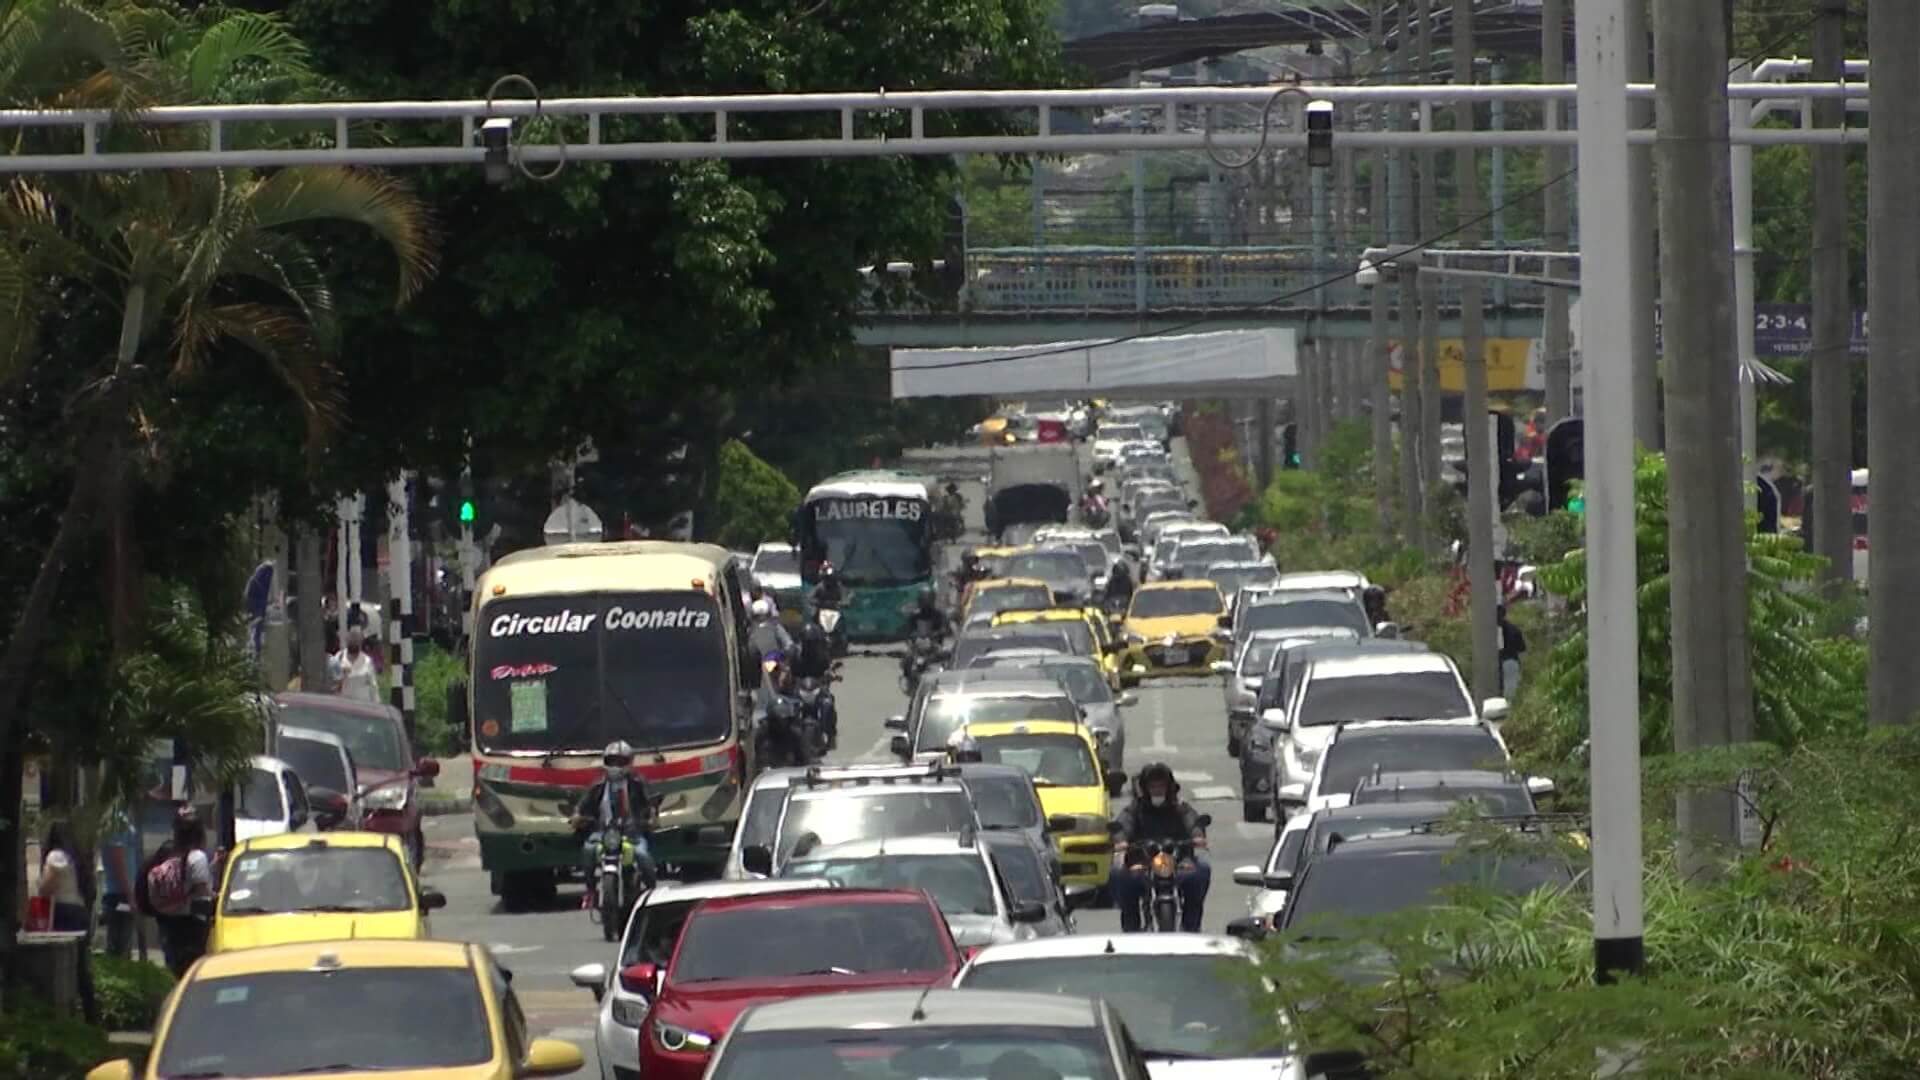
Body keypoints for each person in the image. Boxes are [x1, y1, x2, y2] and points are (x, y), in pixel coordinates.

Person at [1108, 762, 1209, 933]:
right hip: (1142, 860)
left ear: (1169, 787)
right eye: (1153, 786)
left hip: (1178, 859)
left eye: (1161, 786)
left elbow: (1192, 821)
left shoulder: (1180, 807)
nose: (1157, 790)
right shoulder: (1135, 809)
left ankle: (1192, 926)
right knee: (1118, 874)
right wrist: (1121, 840)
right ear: (1145, 788)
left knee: (1201, 872)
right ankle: (1131, 926)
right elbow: (1123, 824)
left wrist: (1197, 835)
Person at [570, 742, 656, 890]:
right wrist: (577, 816)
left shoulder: (638, 783)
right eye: (612, 761)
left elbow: (650, 803)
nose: (616, 766)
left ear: (630, 762)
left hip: (632, 832)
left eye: (621, 761)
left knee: (643, 855)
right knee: (588, 850)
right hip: (603, 832)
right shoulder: (598, 784)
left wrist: (652, 818)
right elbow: (582, 805)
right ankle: (590, 889)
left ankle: (651, 891)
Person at [145, 807, 215, 976]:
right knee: (193, 973)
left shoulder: (166, 852)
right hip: (191, 924)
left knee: (174, 971)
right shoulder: (197, 856)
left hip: (167, 922)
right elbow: (201, 890)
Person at [753, 654, 810, 765]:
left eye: (783, 721)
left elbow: (805, 760)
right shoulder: (762, 734)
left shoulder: (794, 735)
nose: (781, 724)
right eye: (778, 721)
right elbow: (757, 759)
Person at [36, 824, 88, 933]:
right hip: (79, 907)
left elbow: (48, 886)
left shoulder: (56, 856)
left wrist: (40, 885)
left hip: (63, 909)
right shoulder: (75, 857)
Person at [329, 627, 380, 704]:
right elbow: (332, 684)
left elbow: (373, 687)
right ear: (347, 639)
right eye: (352, 637)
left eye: (357, 638)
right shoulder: (338, 659)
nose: (354, 640)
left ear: (361, 641)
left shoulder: (367, 661)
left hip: (364, 706)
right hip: (343, 705)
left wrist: (376, 705)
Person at [1498, 604, 1527, 696]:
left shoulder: (1488, 630)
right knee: (1510, 691)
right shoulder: (1513, 629)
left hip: (1502, 661)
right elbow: (1522, 648)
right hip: (1510, 661)